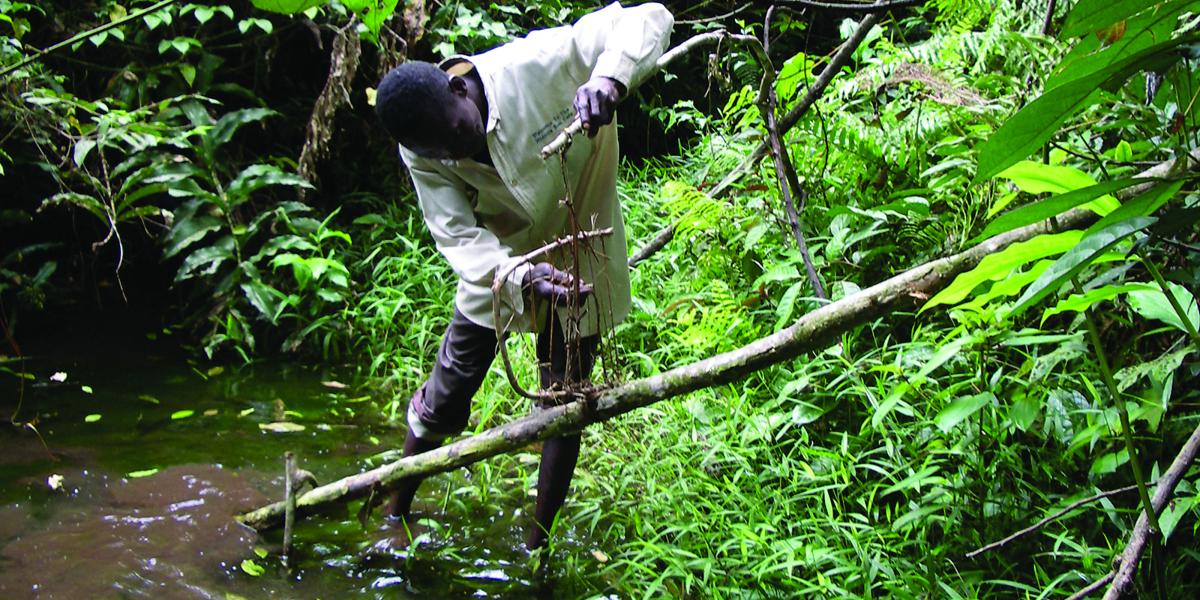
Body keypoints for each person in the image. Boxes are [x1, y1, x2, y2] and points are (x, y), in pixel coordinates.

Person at [373, 2, 674, 550]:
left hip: (582, 237)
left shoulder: (538, 61)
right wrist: (515, 274)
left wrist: (609, 77)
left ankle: (538, 544)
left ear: (459, 90)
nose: (454, 154)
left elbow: (649, 16)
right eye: (439, 153)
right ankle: (396, 514)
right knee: (446, 392)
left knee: (563, 399)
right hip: (499, 261)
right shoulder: (422, 147)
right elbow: (458, 236)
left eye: (456, 137)